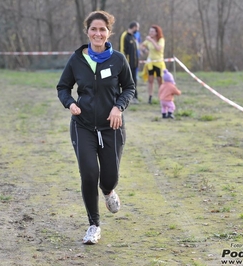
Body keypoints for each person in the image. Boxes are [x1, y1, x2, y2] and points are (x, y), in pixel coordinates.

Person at [56, 10, 135, 245]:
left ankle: (109, 191)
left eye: (102, 29)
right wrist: (70, 103)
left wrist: (118, 107)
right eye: (94, 29)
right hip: (83, 126)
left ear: (108, 32)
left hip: (111, 126)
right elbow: (63, 87)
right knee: (89, 174)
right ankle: (94, 225)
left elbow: (129, 88)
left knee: (109, 177)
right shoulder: (77, 59)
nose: (98, 33)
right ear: (87, 31)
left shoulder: (118, 60)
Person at [140, 25, 166, 104]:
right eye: (150, 31)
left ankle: (162, 97)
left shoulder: (161, 40)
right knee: (150, 80)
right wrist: (145, 51)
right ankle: (150, 97)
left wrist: (151, 41)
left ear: (156, 32)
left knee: (159, 80)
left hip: (158, 63)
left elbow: (159, 48)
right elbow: (141, 46)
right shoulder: (148, 40)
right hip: (150, 62)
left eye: (152, 31)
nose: (150, 33)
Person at [119, 21, 140, 103]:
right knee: (127, 81)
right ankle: (127, 98)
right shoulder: (125, 35)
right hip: (127, 64)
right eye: (137, 27)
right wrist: (124, 62)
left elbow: (135, 51)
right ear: (134, 27)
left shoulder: (133, 37)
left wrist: (137, 61)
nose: (138, 29)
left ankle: (135, 97)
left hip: (134, 64)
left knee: (134, 81)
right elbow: (122, 49)